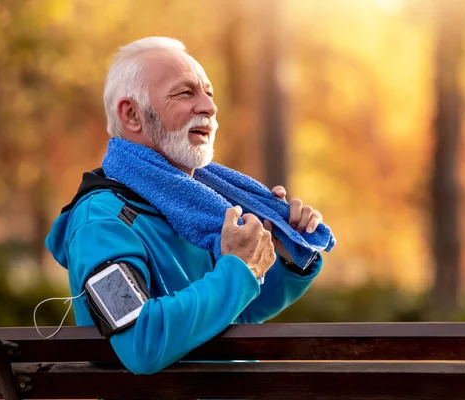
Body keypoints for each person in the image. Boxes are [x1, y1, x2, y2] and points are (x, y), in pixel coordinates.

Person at [45, 37, 327, 375]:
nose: (209, 107)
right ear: (132, 114)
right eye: (185, 93)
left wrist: (280, 256)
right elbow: (141, 342)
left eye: (209, 93)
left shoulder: (199, 206)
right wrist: (241, 269)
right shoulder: (100, 221)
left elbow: (236, 313)